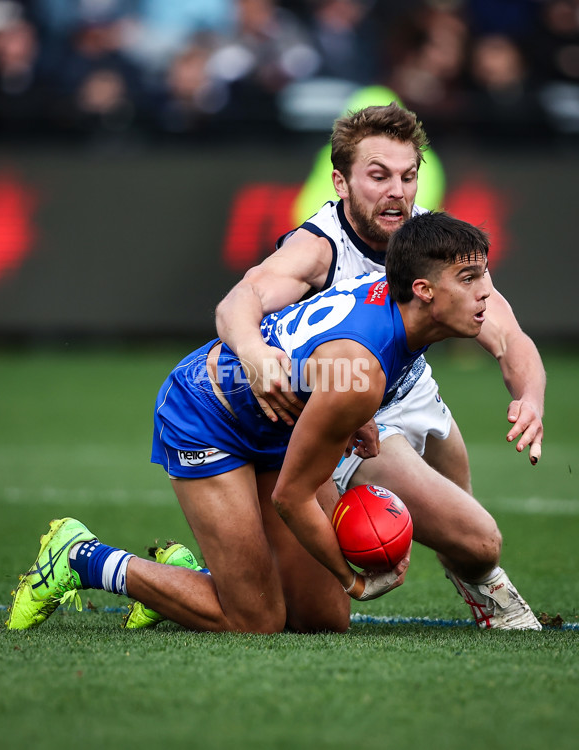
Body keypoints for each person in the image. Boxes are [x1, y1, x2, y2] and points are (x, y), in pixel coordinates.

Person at [8, 211, 491, 633]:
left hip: (276, 420)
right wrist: (354, 581)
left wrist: (349, 414)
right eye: (469, 279)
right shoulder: (363, 370)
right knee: (254, 621)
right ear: (424, 291)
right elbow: (292, 496)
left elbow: (325, 354)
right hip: (206, 415)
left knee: (322, 621)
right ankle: (79, 557)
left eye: (483, 276)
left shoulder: (397, 304)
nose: (485, 293)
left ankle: (186, 574)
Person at [214, 103, 545, 630]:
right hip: (354, 411)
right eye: (379, 175)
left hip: (412, 390)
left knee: (466, 533)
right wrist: (255, 356)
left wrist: (530, 396)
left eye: (408, 176)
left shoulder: (428, 243)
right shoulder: (319, 247)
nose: (397, 190)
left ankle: (479, 585)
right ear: (340, 183)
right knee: (478, 540)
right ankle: (491, 592)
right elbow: (238, 302)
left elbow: (508, 335)